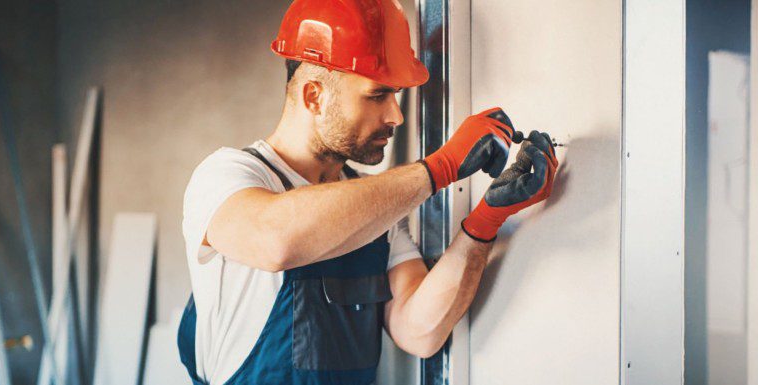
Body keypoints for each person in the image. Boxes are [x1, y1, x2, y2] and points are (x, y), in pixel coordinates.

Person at [177, 1, 559, 384]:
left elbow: (419, 332)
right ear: (314, 97)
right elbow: (276, 241)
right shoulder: (228, 175)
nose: (396, 116)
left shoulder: (375, 206)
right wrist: (441, 167)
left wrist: (485, 221)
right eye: (378, 96)